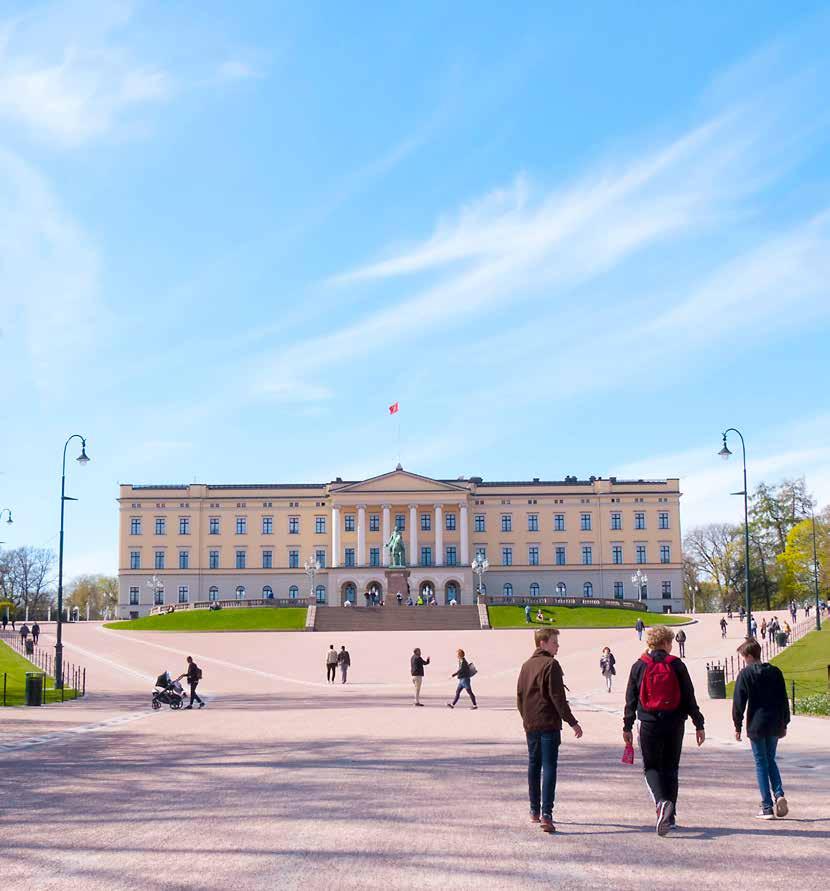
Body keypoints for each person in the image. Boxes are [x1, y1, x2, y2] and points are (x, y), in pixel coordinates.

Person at [623, 625, 705, 836]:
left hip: (648, 722)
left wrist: (627, 725)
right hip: (675, 722)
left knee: (651, 767)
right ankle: (672, 816)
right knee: (671, 768)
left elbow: (631, 699)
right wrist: (699, 723)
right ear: (667, 643)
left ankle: (661, 803)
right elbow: (689, 696)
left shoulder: (639, 665)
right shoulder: (676, 664)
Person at [516, 627, 583, 833]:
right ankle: (547, 814)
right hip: (548, 723)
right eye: (554, 642)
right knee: (549, 766)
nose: (557, 646)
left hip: (531, 723)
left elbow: (519, 696)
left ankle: (534, 810)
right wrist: (573, 722)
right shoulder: (551, 665)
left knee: (534, 766)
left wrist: (526, 718)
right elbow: (558, 698)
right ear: (542, 643)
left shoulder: (526, 666)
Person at [732, 638, 790, 819]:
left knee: (760, 763)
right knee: (770, 760)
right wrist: (785, 722)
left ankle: (767, 806)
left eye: (743, 657)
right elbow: (783, 699)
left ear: (749, 656)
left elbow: (739, 703)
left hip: (756, 723)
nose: (743, 660)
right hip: (774, 722)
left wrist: (737, 725)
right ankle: (779, 793)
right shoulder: (775, 672)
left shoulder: (746, 674)